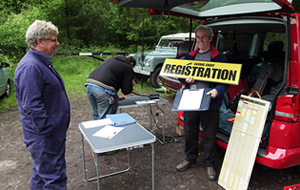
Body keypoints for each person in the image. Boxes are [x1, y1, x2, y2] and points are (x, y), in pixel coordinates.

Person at [14, 20, 70, 189]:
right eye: (54, 40)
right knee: (55, 179)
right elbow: (31, 105)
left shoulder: (40, 62)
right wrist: (48, 131)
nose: (57, 43)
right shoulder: (31, 67)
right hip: (44, 137)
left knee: (41, 174)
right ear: (40, 41)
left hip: (46, 136)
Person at [176, 25, 229, 181]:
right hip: (191, 100)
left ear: (210, 38)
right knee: (190, 131)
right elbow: (180, 75)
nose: (200, 40)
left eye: (203, 37)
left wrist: (217, 91)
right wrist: (185, 79)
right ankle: (190, 158)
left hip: (210, 102)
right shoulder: (190, 56)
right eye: (198, 37)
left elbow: (226, 81)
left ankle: (209, 163)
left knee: (209, 135)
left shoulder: (219, 57)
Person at [85, 55, 136, 120]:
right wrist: (130, 84)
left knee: (96, 116)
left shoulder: (111, 60)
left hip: (90, 85)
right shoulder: (127, 67)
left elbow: (111, 79)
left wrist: (115, 97)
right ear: (132, 64)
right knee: (106, 120)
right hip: (102, 90)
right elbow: (126, 90)